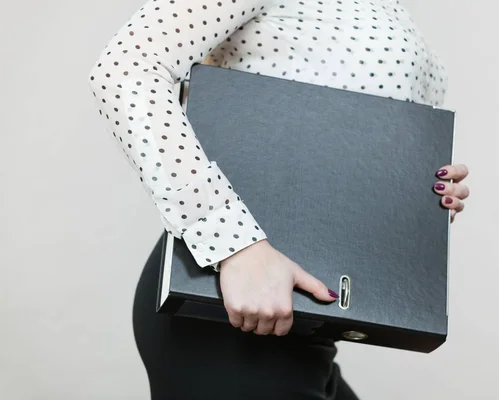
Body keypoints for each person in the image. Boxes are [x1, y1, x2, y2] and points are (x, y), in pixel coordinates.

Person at [88, 0, 470, 398]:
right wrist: (233, 244)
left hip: (301, 317)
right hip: (226, 307)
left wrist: (423, 194)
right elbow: (126, 69)